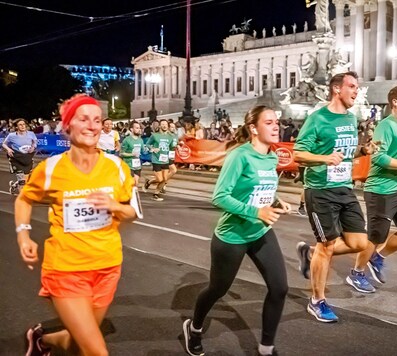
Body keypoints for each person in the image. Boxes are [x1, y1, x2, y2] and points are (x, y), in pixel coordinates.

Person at [16, 94, 140, 356]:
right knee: (96, 351)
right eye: (83, 119)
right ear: (67, 126)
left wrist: (115, 207)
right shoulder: (50, 169)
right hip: (66, 269)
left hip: (107, 267)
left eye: (97, 120)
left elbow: (131, 212)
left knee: (78, 343)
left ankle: (42, 341)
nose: (92, 126)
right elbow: (24, 200)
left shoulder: (117, 167)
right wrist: (23, 235)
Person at [183, 106, 290, 356]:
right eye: (269, 122)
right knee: (217, 290)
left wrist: (275, 201)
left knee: (279, 288)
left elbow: (259, 188)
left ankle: (266, 347)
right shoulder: (239, 156)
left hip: (260, 232)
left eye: (277, 122)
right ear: (253, 128)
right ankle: (194, 328)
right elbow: (219, 197)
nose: (276, 126)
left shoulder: (272, 156)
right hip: (231, 237)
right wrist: (257, 212)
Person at [293, 71, 368, 323]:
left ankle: (311, 254)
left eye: (357, 87)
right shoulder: (317, 119)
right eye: (352, 86)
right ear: (337, 89)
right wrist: (325, 158)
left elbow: (345, 152)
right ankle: (317, 301)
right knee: (327, 246)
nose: (357, 91)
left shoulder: (350, 118)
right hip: (321, 190)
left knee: (359, 242)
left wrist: (363, 150)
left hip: (345, 188)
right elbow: (298, 154)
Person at [347, 86, 397, 293]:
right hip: (381, 189)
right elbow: (378, 158)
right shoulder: (386, 125)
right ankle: (356, 273)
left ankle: (378, 258)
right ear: (395, 103)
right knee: (376, 237)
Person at [2, 118, 37, 194]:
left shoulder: (31, 134)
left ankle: (14, 185)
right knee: (22, 181)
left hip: (27, 158)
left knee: (26, 180)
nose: (23, 126)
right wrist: (8, 149)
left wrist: (33, 147)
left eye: (24, 124)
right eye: (20, 125)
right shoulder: (11, 136)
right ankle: (22, 199)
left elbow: (35, 141)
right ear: (16, 127)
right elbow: (4, 144)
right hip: (16, 158)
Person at [143, 119, 175, 201]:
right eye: (163, 124)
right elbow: (147, 144)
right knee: (159, 179)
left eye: (166, 124)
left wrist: (174, 150)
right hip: (156, 159)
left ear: (167, 126)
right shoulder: (155, 135)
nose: (164, 126)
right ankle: (148, 182)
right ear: (160, 126)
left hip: (165, 160)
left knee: (165, 179)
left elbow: (171, 147)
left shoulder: (170, 136)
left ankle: (156, 194)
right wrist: (153, 148)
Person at [120, 120, 145, 186]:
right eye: (136, 128)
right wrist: (132, 154)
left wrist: (151, 149)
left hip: (137, 165)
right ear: (131, 129)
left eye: (139, 128)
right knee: (132, 183)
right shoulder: (127, 140)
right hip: (128, 165)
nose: (139, 129)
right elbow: (121, 153)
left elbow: (143, 151)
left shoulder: (140, 140)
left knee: (136, 183)